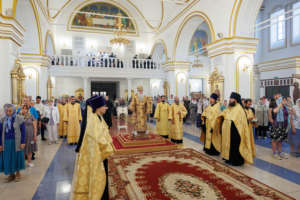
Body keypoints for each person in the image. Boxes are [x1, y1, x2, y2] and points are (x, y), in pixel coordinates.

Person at [72, 96, 114, 200]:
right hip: (97, 155)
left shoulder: (98, 117)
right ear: (98, 107)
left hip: (100, 154)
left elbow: (105, 133)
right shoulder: (93, 121)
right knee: (98, 177)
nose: (106, 108)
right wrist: (109, 148)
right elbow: (98, 138)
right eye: (104, 106)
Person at [214, 92, 254, 166]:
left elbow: (242, 122)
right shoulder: (229, 107)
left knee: (234, 146)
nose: (230, 100)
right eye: (230, 98)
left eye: (231, 98)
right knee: (227, 145)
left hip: (235, 132)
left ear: (235, 100)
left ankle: (236, 161)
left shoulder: (239, 109)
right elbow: (224, 113)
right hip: (227, 131)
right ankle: (228, 158)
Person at [0, 104, 26, 182]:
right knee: (8, 158)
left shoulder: (19, 118)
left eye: (10, 111)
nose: (8, 112)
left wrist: (23, 142)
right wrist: (0, 144)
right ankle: (11, 175)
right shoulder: (3, 119)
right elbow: (0, 133)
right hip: (6, 142)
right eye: (7, 111)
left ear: (14, 110)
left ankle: (18, 174)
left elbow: (23, 131)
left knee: (16, 157)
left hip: (16, 142)